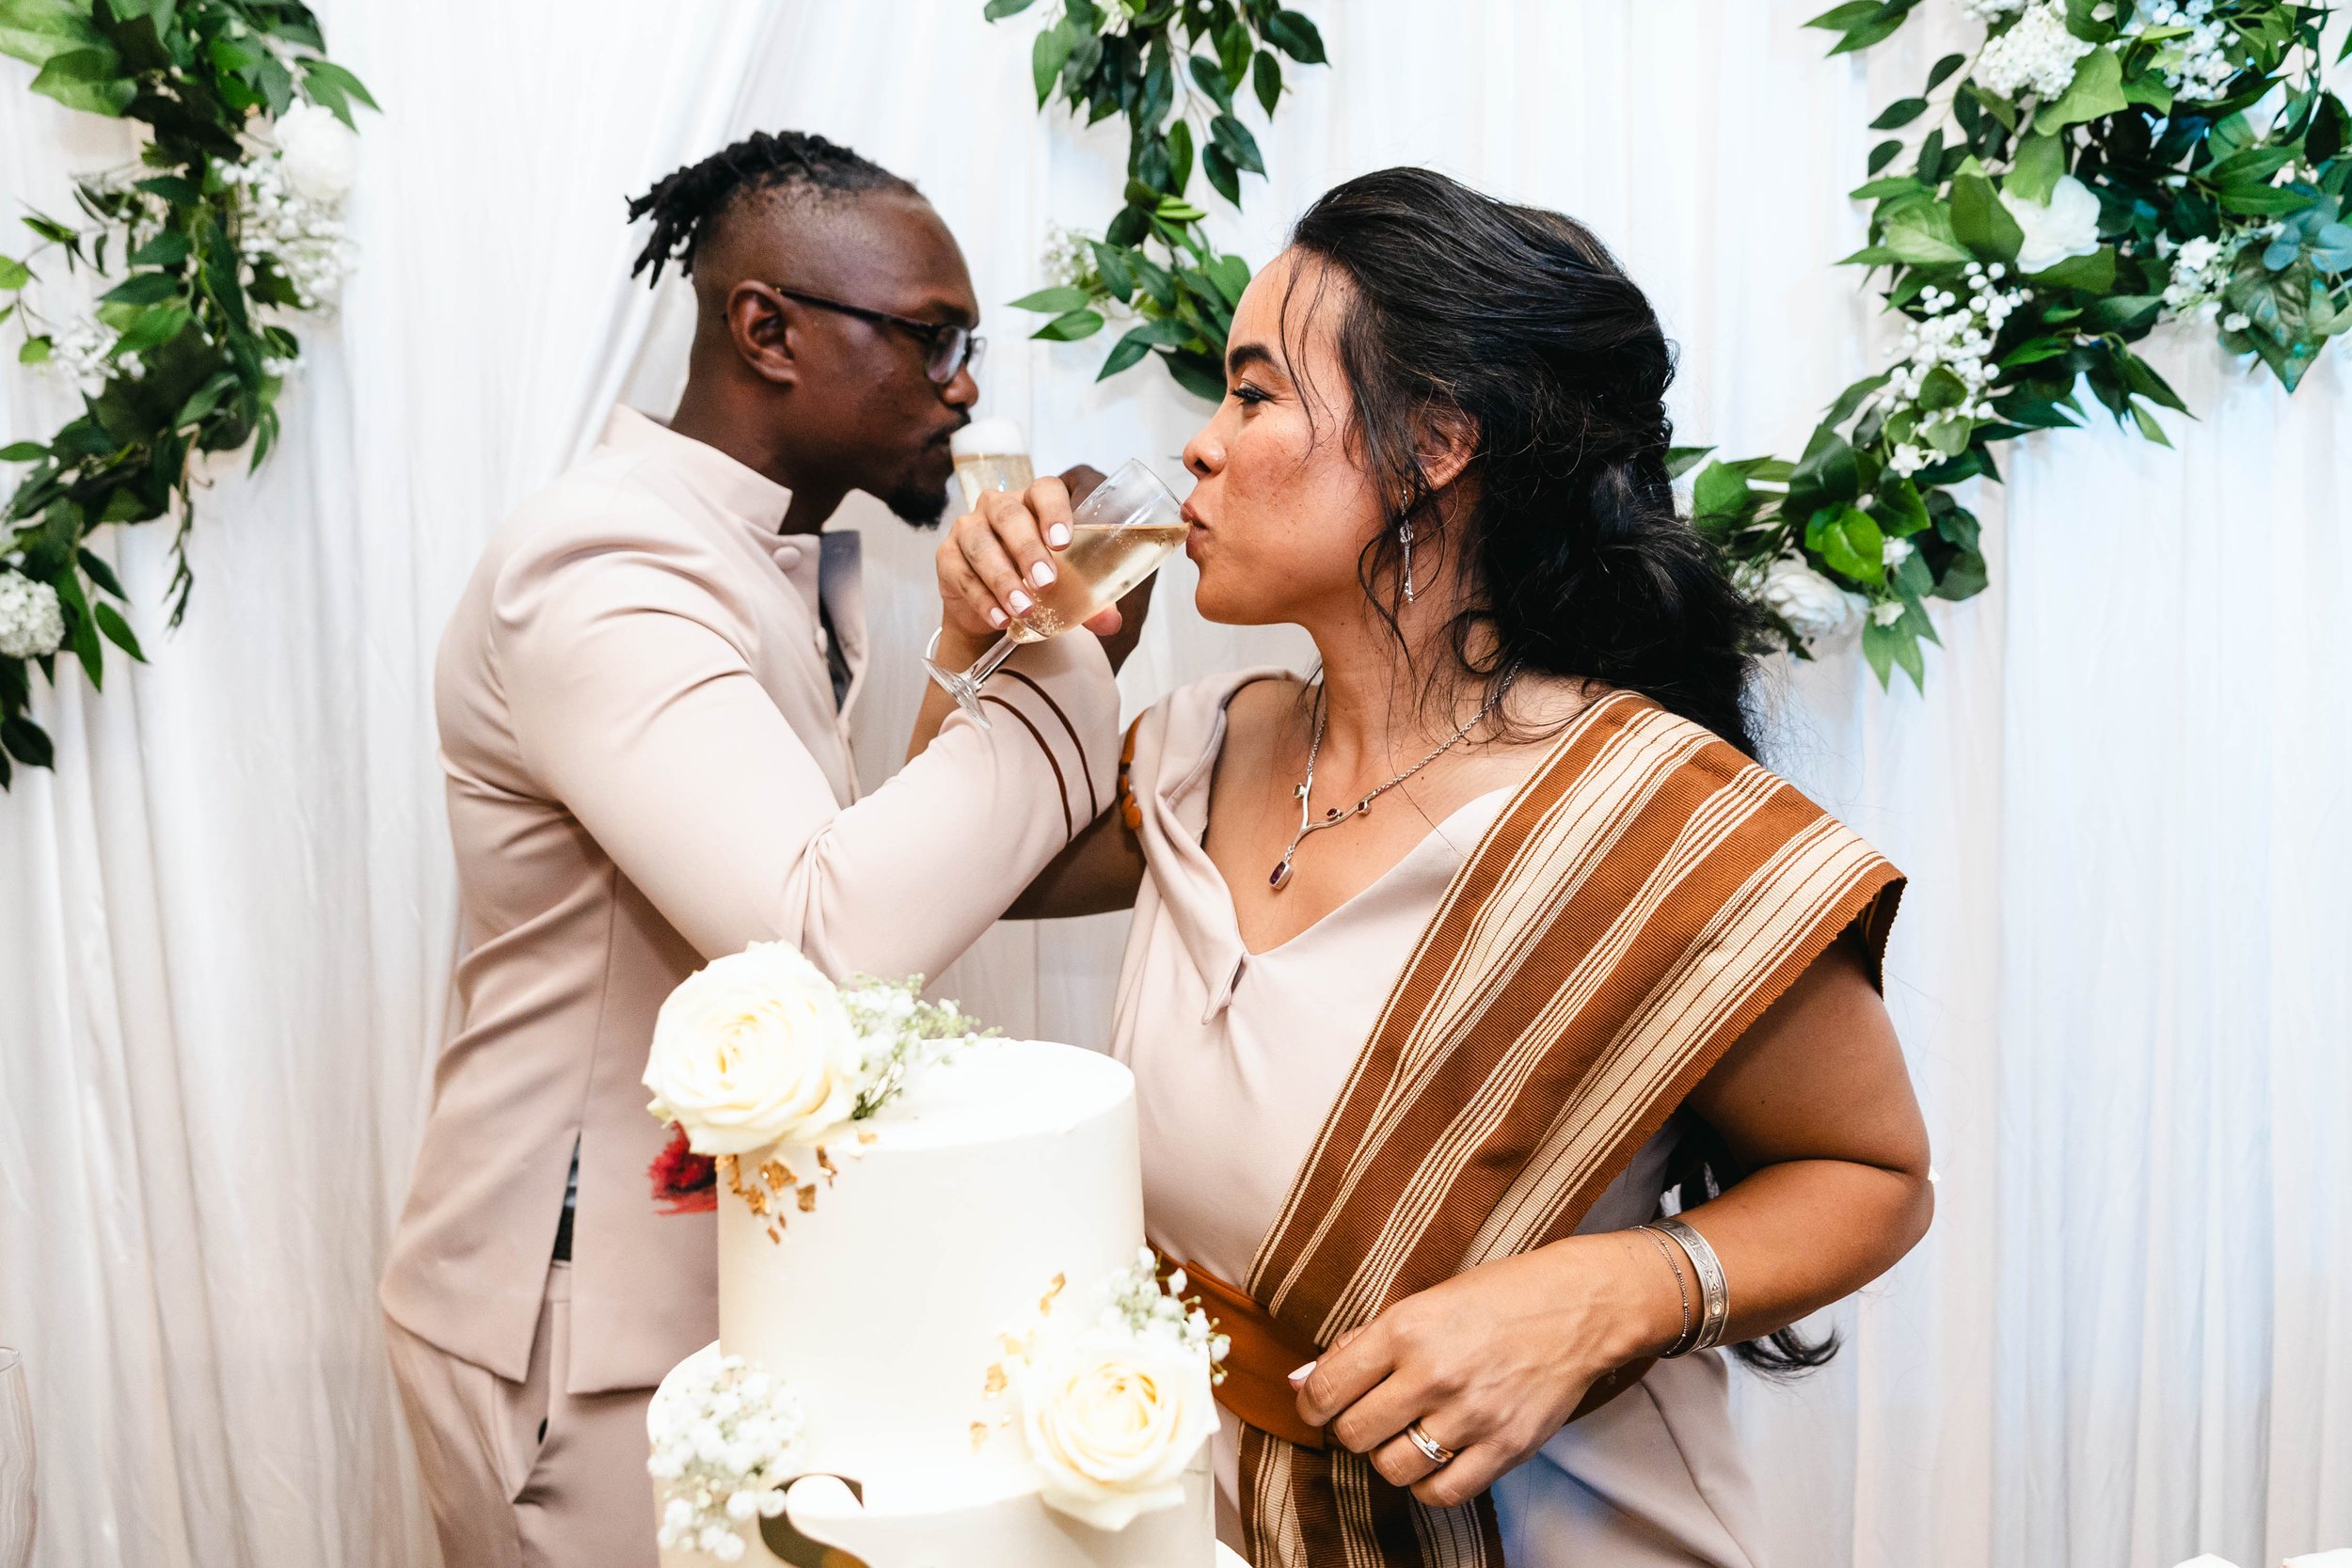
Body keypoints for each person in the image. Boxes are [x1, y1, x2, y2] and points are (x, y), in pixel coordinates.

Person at [944, 166, 1935, 1567]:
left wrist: (1611, 1291)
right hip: (1212, 1520)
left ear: (1436, 445)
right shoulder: (1185, 752)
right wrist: (992, 632)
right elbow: (956, 867)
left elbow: (1875, 1171)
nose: (1201, 448)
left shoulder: (1648, 820)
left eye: (1252, 392)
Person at [380, 131, 1125, 1568]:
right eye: (930, 336)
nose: (963, 385)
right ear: (766, 328)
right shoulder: (603, 564)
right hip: (578, 1312)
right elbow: (824, 935)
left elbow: (873, 880)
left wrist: (989, 657)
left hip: (707, 1289)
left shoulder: (762, 560)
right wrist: (1066, 655)